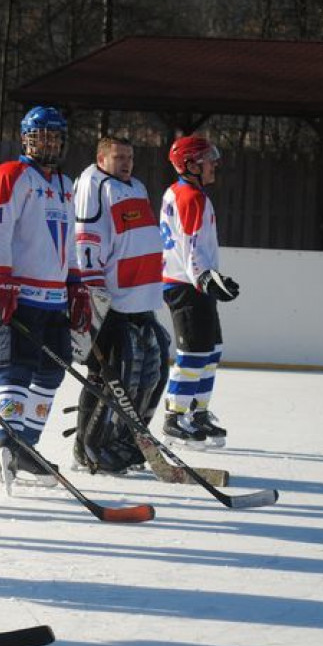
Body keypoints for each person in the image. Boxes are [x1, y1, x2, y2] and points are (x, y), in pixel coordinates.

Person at [0, 106, 87, 491]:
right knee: (16, 367)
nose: (49, 143)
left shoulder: (64, 183)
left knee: (51, 371)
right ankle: (6, 441)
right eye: (41, 136)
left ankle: (27, 447)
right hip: (20, 292)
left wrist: (75, 282)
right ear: (25, 138)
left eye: (55, 137)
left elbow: (71, 240)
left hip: (54, 297)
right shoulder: (10, 174)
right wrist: (1, 280)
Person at [72, 136, 170, 473]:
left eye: (130, 157)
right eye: (119, 157)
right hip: (113, 301)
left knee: (153, 370)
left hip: (141, 299)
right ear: (101, 158)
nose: (126, 163)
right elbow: (86, 238)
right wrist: (94, 292)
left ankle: (127, 439)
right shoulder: (94, 185)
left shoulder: (136, 186)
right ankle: (92, 446)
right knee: (115, 375)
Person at [160, 134, 240, 447]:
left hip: (191, 283)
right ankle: (175, 417)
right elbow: (190, 246)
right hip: (186, 285)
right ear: (191, 164)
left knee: (212, 348)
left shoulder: (178, 191)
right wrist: (205, 278)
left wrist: (207, 279)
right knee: (193, 352)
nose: (214, 163)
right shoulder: (192, 198)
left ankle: (197, 411)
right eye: (208, 158)